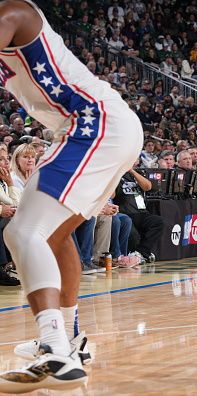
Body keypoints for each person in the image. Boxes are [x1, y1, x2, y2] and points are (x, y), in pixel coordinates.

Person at [0, 1, 143, 392]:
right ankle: (71, 339)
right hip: (104, 127)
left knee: (21, 233)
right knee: (52, 236)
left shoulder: (13, 12)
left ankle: (54, 347)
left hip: (92, 124)